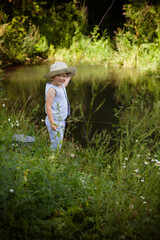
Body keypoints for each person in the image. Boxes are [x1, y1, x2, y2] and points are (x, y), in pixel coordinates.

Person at [43, 61, 76, 150]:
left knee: (58, 142)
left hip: (61, 120)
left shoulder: (60, 85)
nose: (62, 78)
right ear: (53, 76)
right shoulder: (52, 90)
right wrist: (52, 122)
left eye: (64, 76)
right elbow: (48, 106)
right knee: (56, 144)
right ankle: (52, 160)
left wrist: (70, 76)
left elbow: (65, 83)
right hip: (55, 121)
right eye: (59, 75)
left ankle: (53, 158)